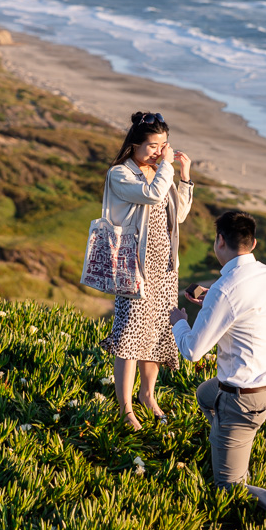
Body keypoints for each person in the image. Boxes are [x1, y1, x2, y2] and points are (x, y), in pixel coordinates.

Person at [169, 211, 266, 530]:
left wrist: (179, 320)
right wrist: (209, 298)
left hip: (243, 400)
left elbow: (191, 351)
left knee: (227, 487)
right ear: (253, 243)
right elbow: (248, 311)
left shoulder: (225, 291)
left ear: (220, 241)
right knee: (206, 395)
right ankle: (227, 443)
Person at [100, 111, 193, 429]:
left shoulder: (161, 171)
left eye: (164, 145)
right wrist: (166, 166)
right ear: (135, 144)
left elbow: (178, 215)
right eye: (154, 146)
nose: (160, 151)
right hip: (134, 267)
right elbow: (151, 194)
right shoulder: (120, 175)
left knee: (158, 333)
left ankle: (147, 395)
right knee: (129, 336)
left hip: (165, 268)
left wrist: (185, 176)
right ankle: (125, 408)